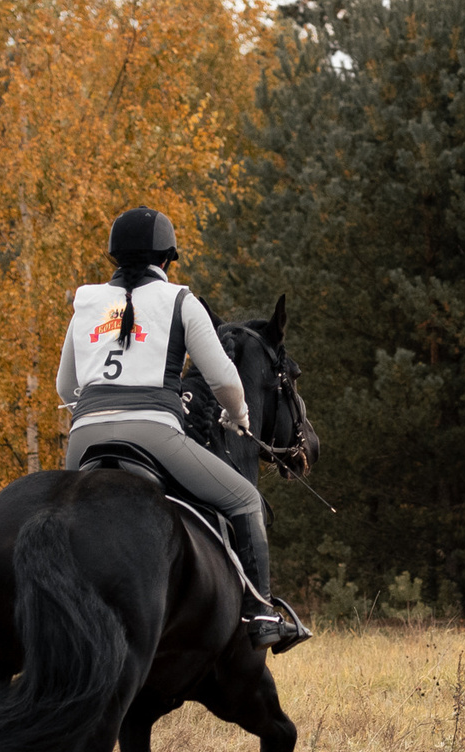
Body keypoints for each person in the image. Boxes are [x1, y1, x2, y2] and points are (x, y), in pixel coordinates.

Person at [58, 207, 309, 654]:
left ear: (115, 256)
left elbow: (64, 386)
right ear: (167, 258)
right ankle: (261, 614)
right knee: (245, 499)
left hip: (84, 440)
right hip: (154, 434)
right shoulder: (180, 301)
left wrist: (98, 413)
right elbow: (225, 380)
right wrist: (238, 415)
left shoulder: (86, 302)